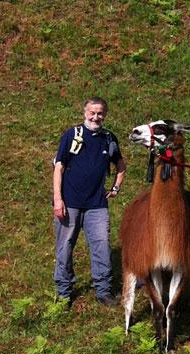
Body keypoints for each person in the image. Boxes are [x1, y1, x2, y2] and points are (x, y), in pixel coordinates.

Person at [52, 96, 126, 306]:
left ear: (105, 115)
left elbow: (121, 166)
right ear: (85, 113)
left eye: (100, 113)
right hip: (69, 202)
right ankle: (64, 293)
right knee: (65, 247)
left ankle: (103, 291)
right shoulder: (72, 135)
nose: (96, 117)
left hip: (97, 205)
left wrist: (115, 188)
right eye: (92, 113)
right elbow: (59, 167)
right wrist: (58, 200)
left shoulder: (109, 139)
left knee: (102, 246)